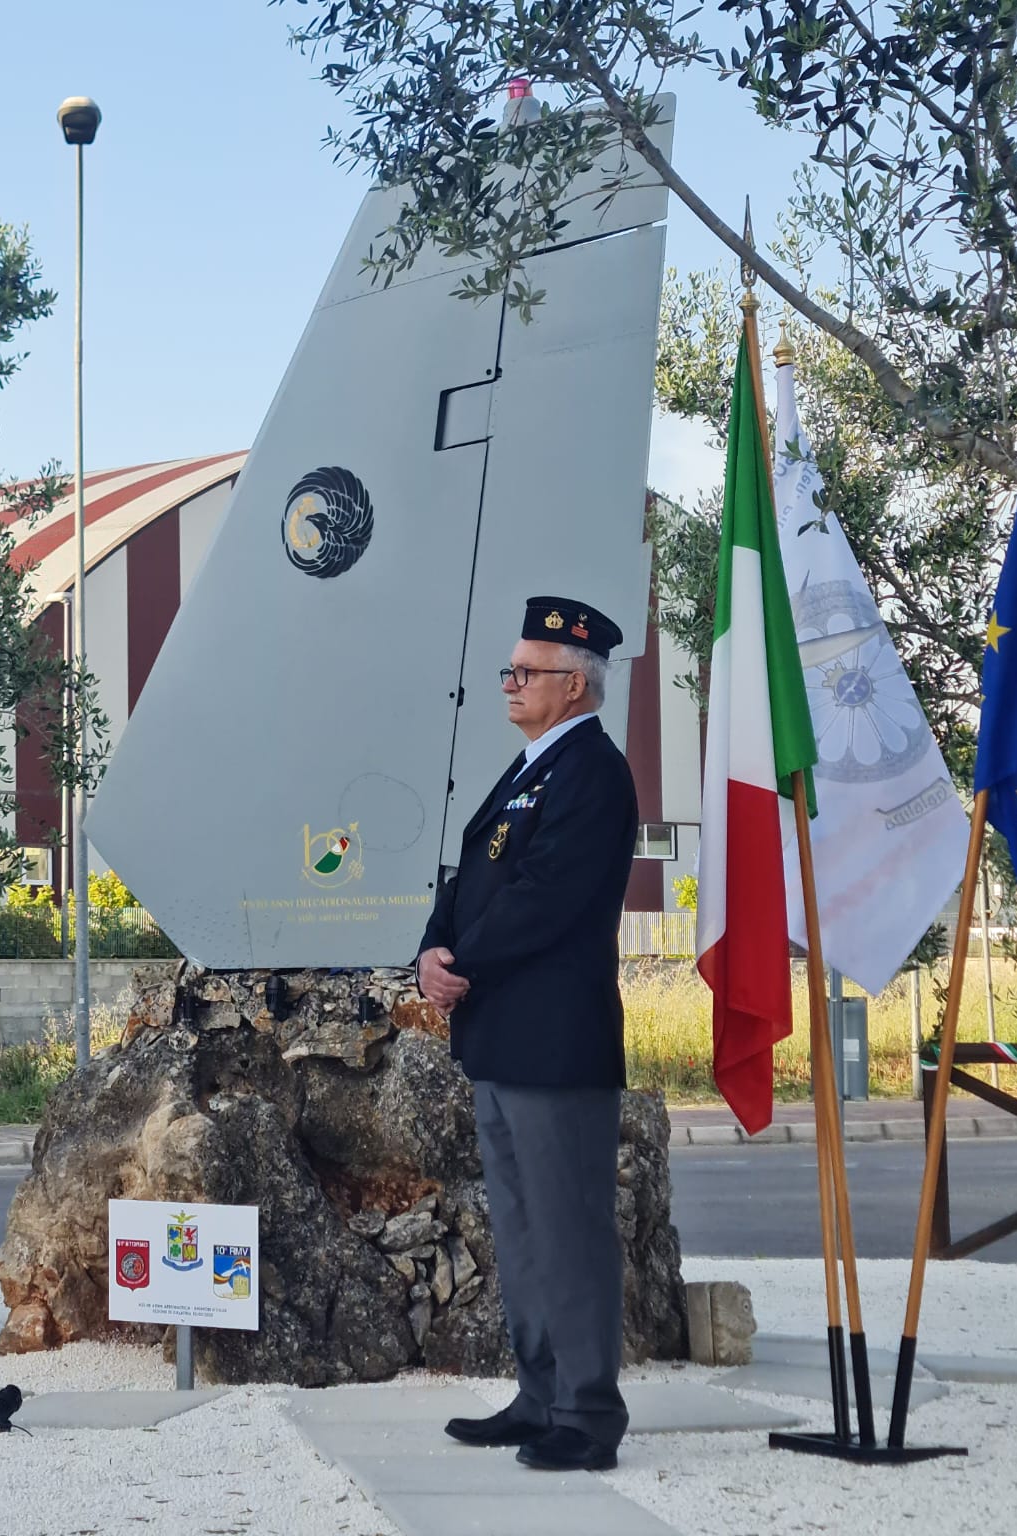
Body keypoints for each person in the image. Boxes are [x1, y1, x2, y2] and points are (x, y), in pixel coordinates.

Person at [416, 596, 640, 1472]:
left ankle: (587, 1415)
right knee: (519, 1227)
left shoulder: (593, 772)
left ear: (576, 684)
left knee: (570, 1228)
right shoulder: (528, 768)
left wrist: (461, 957)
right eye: (510, 670)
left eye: (525, 672)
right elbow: (469, 874)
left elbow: (544, 896)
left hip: (555, 1043)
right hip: (502, 1037)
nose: (509, 684)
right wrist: (431, 950)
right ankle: (541, 1392)